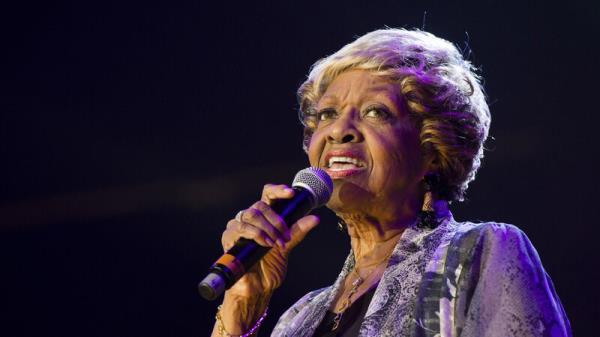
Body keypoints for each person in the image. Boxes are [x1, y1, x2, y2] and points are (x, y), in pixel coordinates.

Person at [210, 28, 571, 337]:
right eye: (328, 114)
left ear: (433, 149)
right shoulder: (299, 317)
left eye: (375, 112)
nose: (338, 130)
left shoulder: (481, 254)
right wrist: (243, 300)